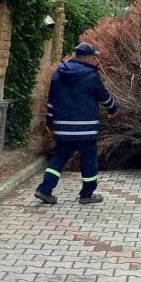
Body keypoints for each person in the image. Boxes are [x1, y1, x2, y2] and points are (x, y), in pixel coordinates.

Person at [34, 42, 117, 205]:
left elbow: (51, 101)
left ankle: (44, 190)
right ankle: (87, 195)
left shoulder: (59, 73)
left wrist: (50, 123)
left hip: (63, 128)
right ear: (86, 57)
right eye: (94, 57)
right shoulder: (91, 76)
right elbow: (104, 96)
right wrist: (113, 109)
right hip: (85, 130)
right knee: (88, 160)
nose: (95, 60)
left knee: (58, 158)